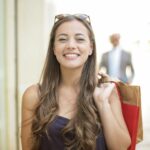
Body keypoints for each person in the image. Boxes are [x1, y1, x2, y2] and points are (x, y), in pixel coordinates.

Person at [21, 14, 131, 150]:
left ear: (91, 48)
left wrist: (103, 104)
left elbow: (121, 147)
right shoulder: (34, 95)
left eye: (79, 39)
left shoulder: (107, 92)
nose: (71, 45)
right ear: (54, 48)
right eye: (62, 39)